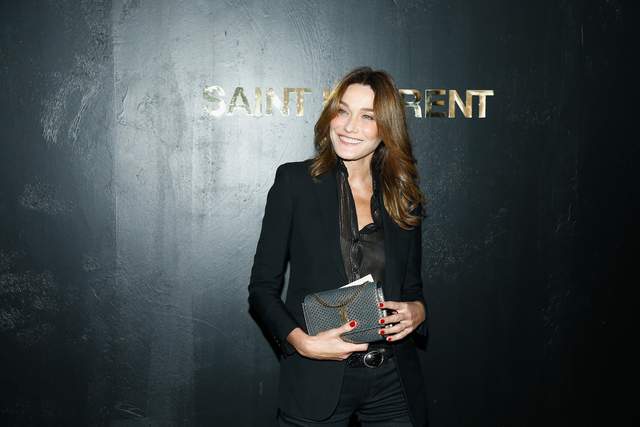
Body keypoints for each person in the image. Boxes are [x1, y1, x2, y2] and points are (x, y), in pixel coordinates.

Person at [249, 67, 428, 426]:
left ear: (386, 128)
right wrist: (302, 343)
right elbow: (262, 290)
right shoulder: (295, 182)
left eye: (367, 117)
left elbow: (412, 289)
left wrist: (419, 312)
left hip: (392, 381)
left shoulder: (402, 196)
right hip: (317, 377)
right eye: (342, 111)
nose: (348, 126)